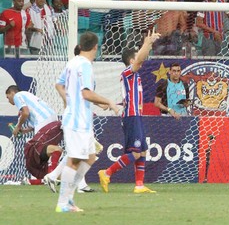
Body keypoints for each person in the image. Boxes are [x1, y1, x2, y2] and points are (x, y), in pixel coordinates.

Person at [55, 32, 118, 212]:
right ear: (96, 47)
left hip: (80, 118)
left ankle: (68, 199)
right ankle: (63, 203)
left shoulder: (72, 62)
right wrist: (109, 102)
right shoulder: (85, 65)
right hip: (77, 121)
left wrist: (68, 100)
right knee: (74, 160)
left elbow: (59, 84)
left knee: (90, 157)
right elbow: (86, 93)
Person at [98, 30, 161, 195]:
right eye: (137, 57)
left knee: (142, 151)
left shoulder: (133, 76)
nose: (141, 59)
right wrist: (148, 43)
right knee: (135, 152)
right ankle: (107, 173)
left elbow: (127, 97)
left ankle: (139, 185)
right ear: (131, 60)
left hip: (135, 116)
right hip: (132, 116)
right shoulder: (128, 72)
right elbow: (141, 59)